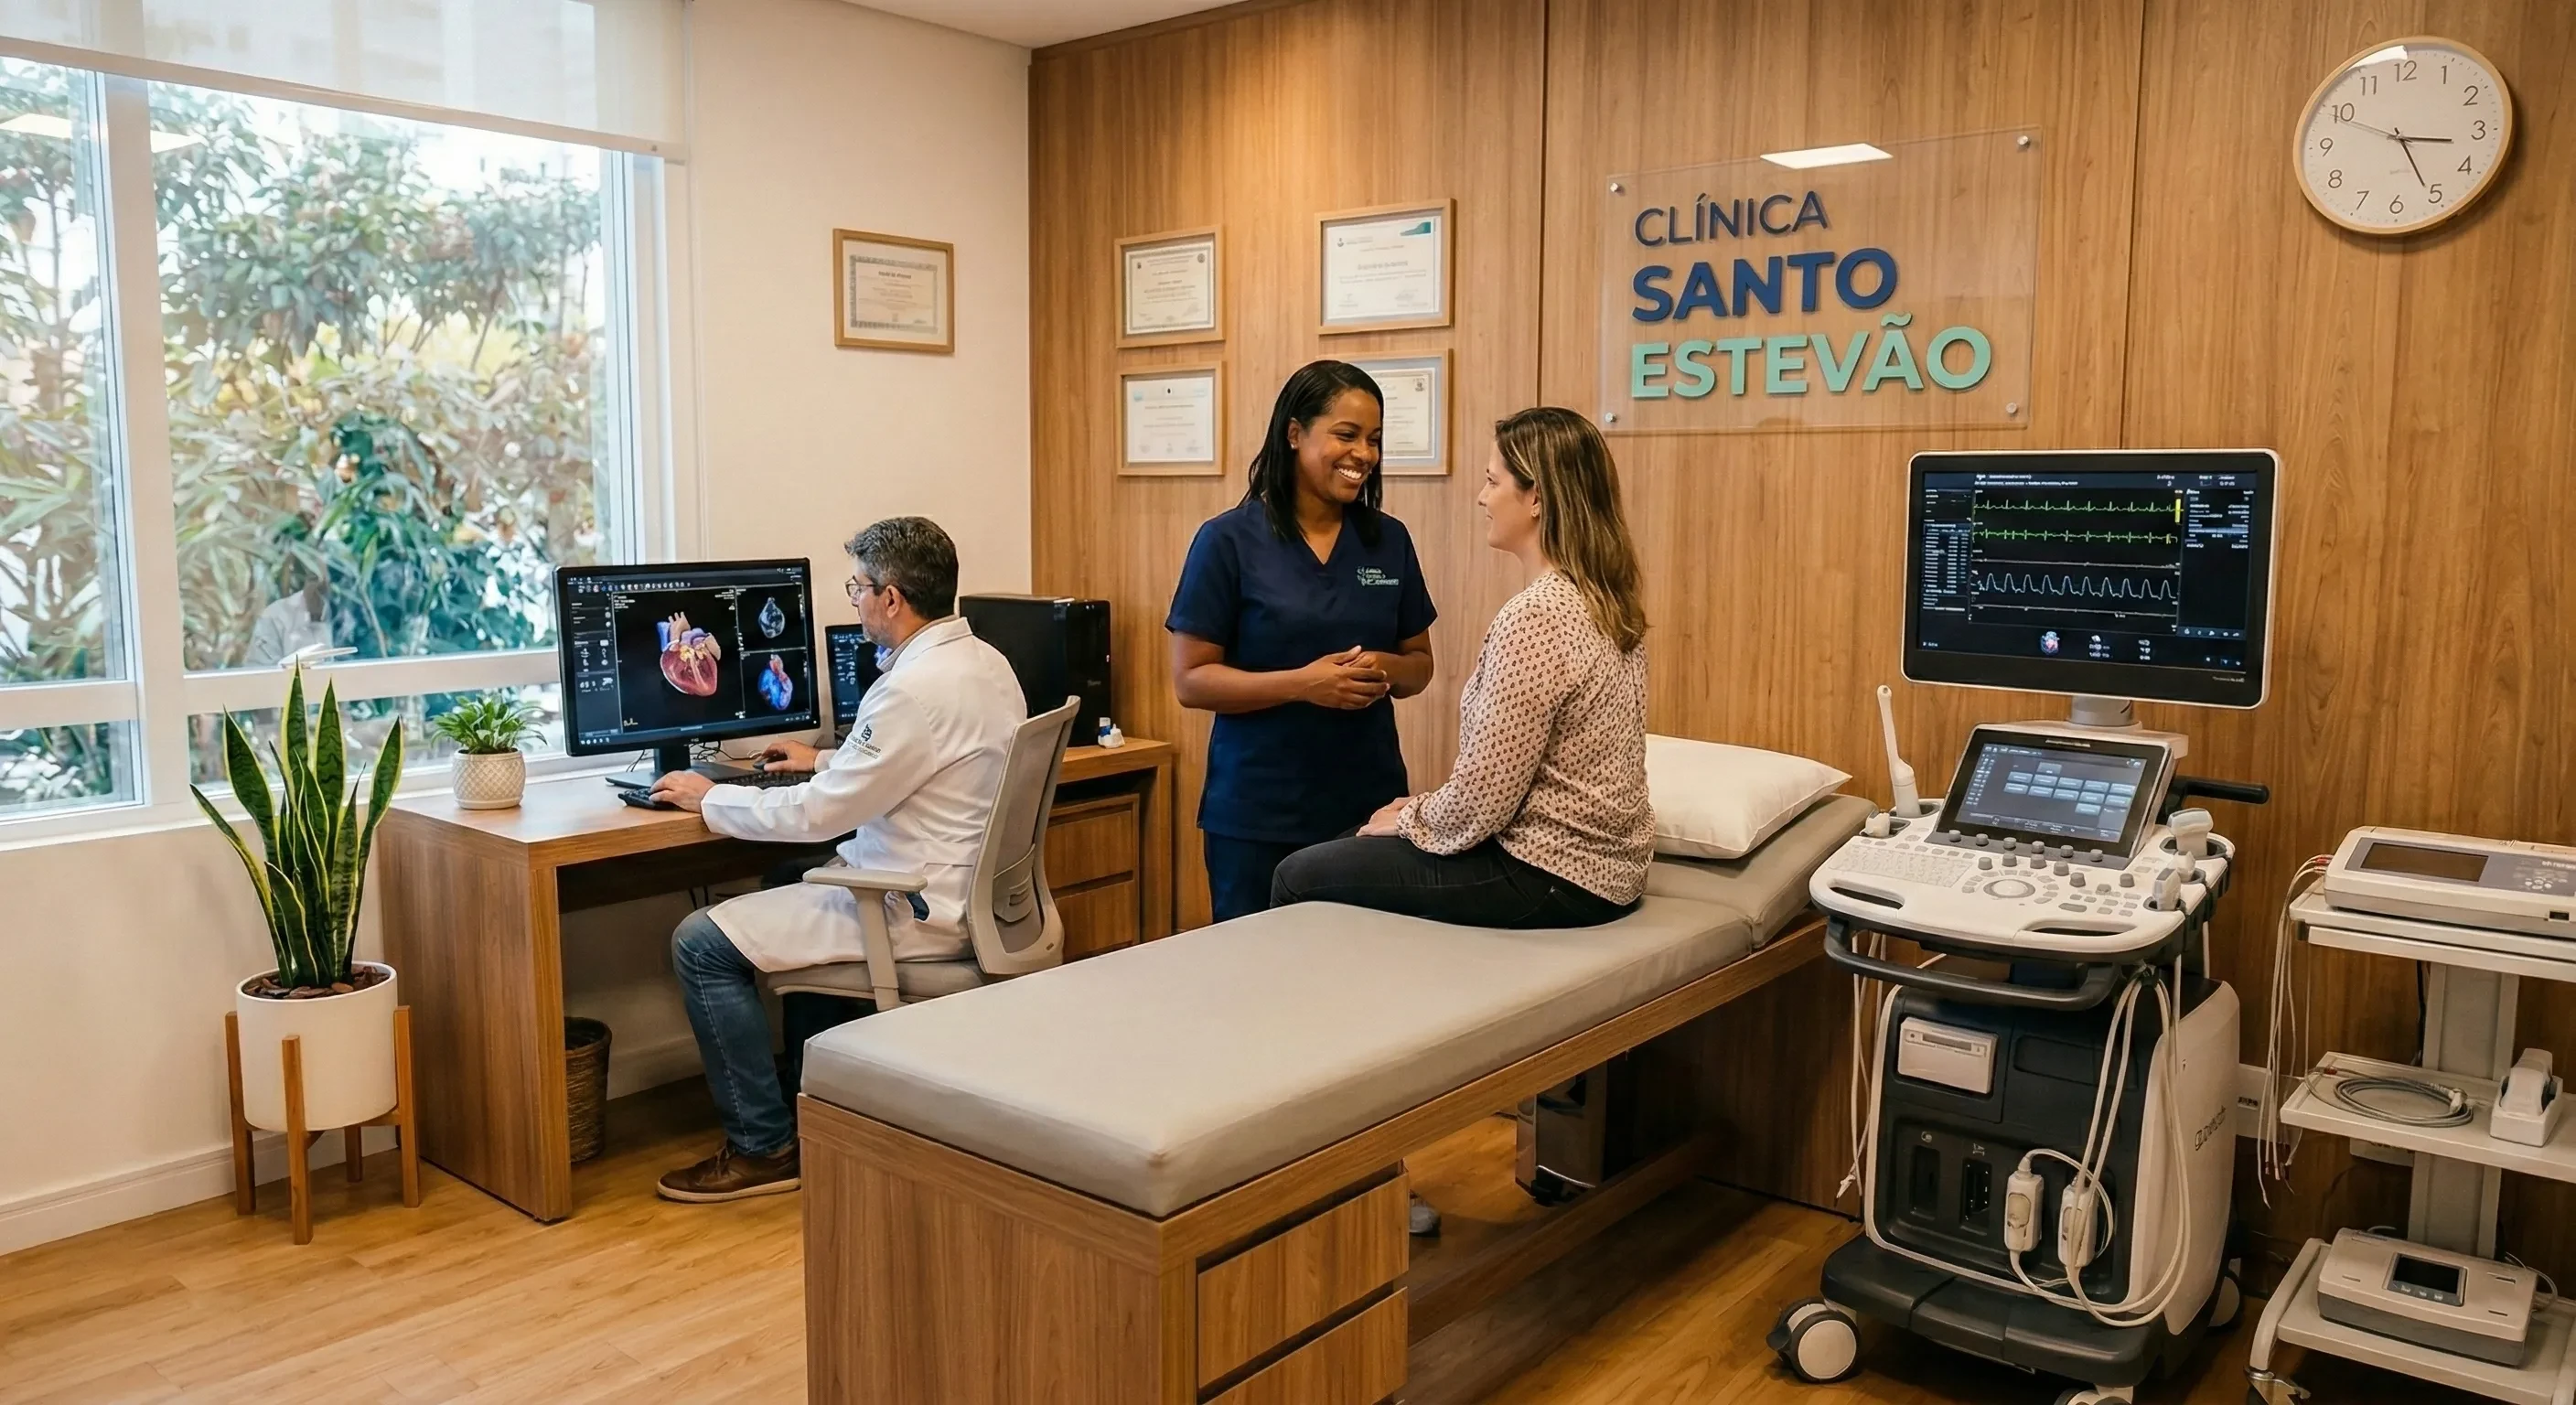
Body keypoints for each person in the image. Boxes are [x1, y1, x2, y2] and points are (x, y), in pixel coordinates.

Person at [647, 517, 1025, 1203]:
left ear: (892, 599)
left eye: (857, 589)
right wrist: (820, 758)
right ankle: (820, 1101)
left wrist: (709, 800)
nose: (853, 602)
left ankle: (763, 1148)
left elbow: (820, 814)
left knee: (700, 943)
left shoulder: (910, 691)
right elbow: (909, 764)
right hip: (968, 892)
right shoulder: (984, 663)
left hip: (911, 905)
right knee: (786, 880)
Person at [1272, 406, 1652, 930]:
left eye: (1493, 482)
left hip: (1547, 874)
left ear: (1537, 497)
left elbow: (1482, 803)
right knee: (1352, 844)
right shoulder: (1606, 599)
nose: (1482, 497)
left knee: (1298, 873)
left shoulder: (1537, 616)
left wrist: (1409, 816)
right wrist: (1422, 809)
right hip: (1610, 875)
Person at [1166, 360, 1437, 922]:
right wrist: (1305, 685)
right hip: (1257, 815)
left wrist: (1380, 666)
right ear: (1295, 434)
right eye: (1346, 434)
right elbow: (1191, 681)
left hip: (1369, 809)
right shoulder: (1228, 541)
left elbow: (1420, 668)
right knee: (1257, 983)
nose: (1363, 453)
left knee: (1358, 978)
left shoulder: (1388, 540)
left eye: (1374, 439)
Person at [246, 565, 332, 667]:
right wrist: (314, 618)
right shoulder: (274, 617)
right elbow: (259, 674)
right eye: (314, 578)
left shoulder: (350, 619)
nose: (321, 585)